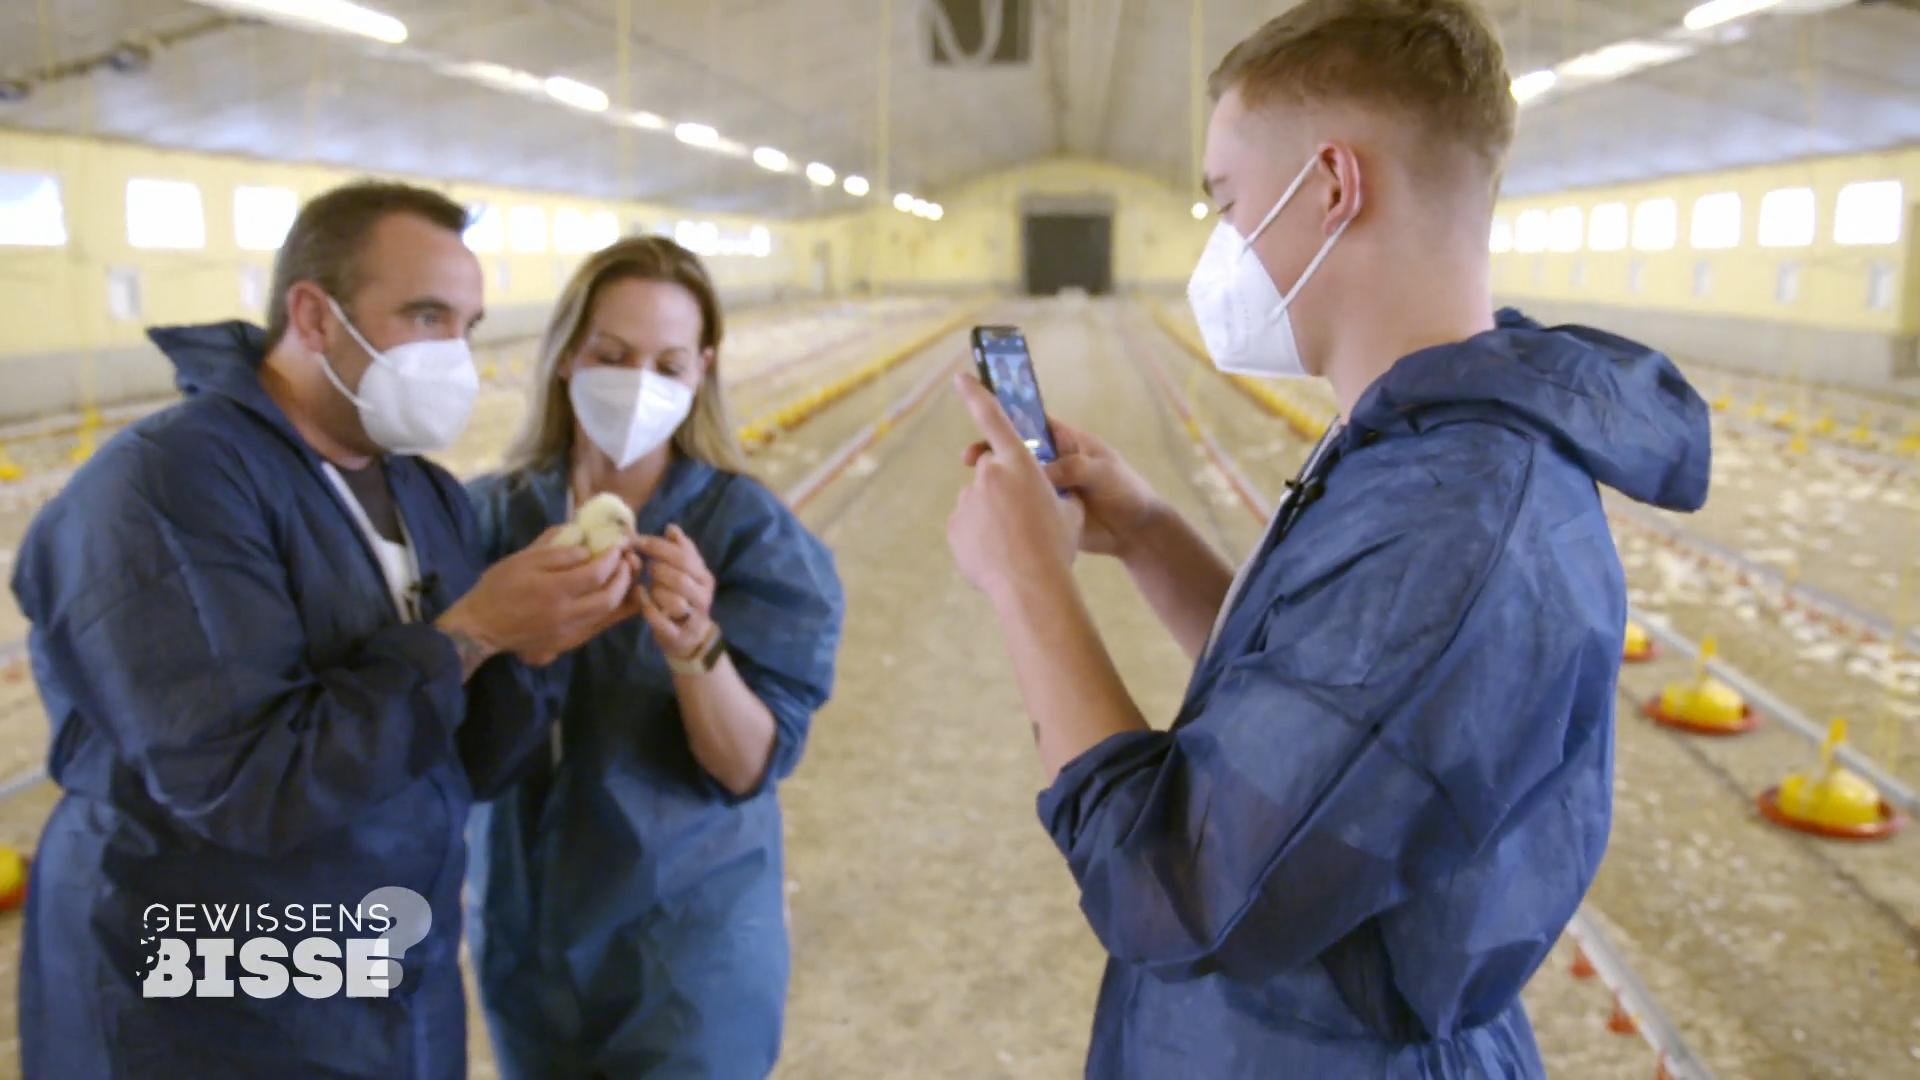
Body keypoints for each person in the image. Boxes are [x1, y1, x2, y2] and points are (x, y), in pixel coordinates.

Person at [945, 1, 1710, 1075]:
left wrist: (1027, 581)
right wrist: (1152, 534)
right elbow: (1340, 721)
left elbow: (1182, 886)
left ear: (1334, 187)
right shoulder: (1420, 449)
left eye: (1227, 202)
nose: (1219, 244)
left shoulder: (1455, 518)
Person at [9, 180, 646, 1078]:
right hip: (209, 997)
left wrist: (528, 649)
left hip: (380, 970)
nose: (454, 356)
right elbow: (247, 786)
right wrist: (469, 633)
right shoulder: (166, 488)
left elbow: (461, 765)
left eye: (466, 327)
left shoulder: (422, 495)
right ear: (313, 315)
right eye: (426, 317)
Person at [465, 236, 844, 1078]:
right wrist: (487, 626)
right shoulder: (488, 520)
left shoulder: (748, 535)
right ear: (566, 355)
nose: (638, 383)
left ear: (702, 371)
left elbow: (748, 766)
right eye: (612, 355)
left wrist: (695, 649)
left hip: (686, 952)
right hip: (527, 939)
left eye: (668, 363)